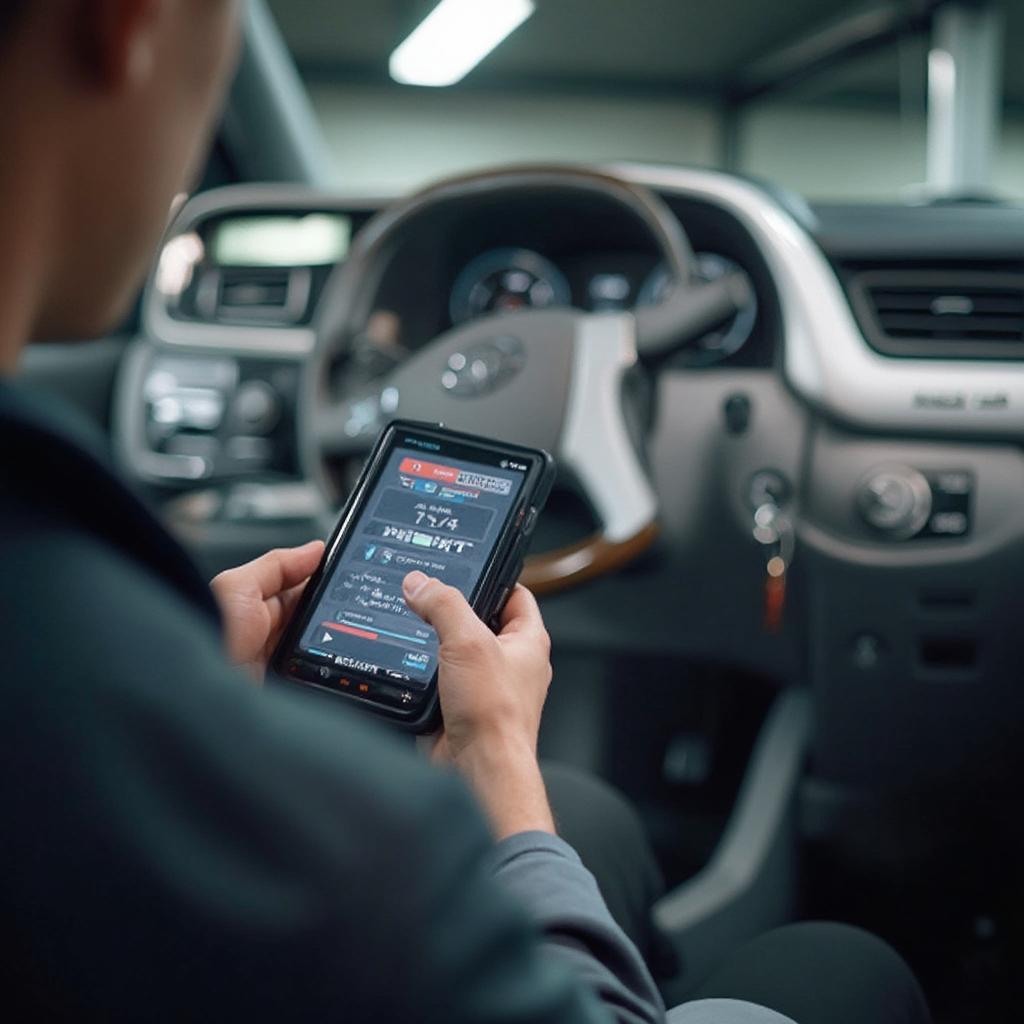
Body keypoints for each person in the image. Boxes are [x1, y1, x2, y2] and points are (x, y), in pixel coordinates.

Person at [0, 3, 933, 1022]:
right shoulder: (369, 873)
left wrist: (194, 716)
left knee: (592, 822)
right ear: (130, 21)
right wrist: (496, 762)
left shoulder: (74, 647)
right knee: (839, 965)